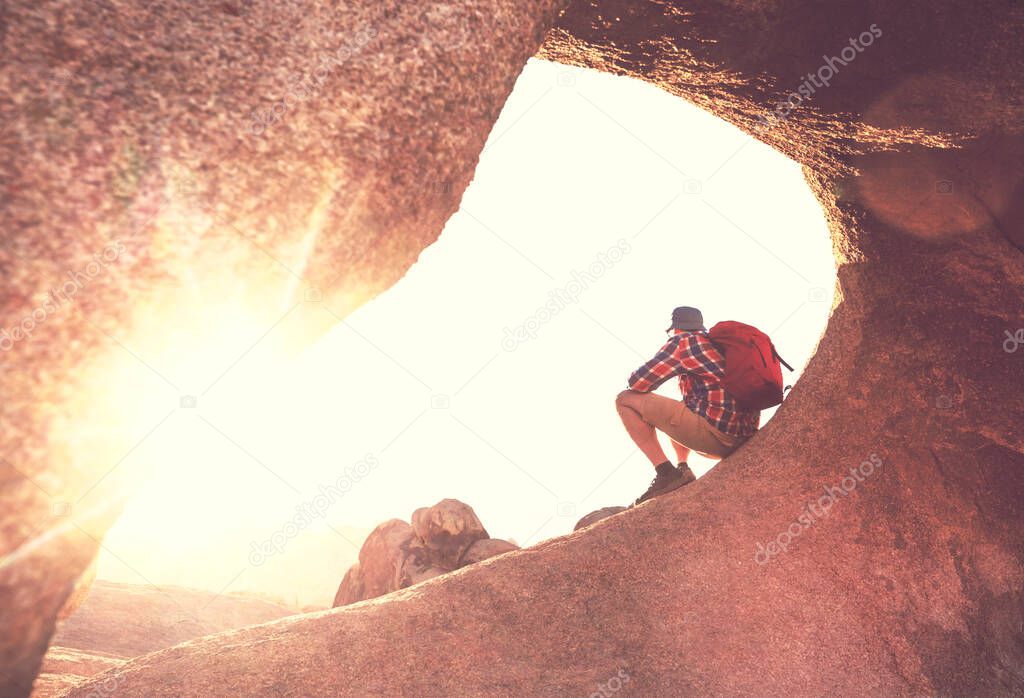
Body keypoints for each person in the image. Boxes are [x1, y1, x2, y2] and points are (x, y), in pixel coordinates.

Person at [615, 306, 760, 505]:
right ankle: (683, 467)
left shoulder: (683, 342)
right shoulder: (717, 343)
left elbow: (638, 382)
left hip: (720, 438)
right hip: (746, 434)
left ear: (675, 328)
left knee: (625, 399)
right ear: (700, 326)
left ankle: (666, 474)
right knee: (685, 404)